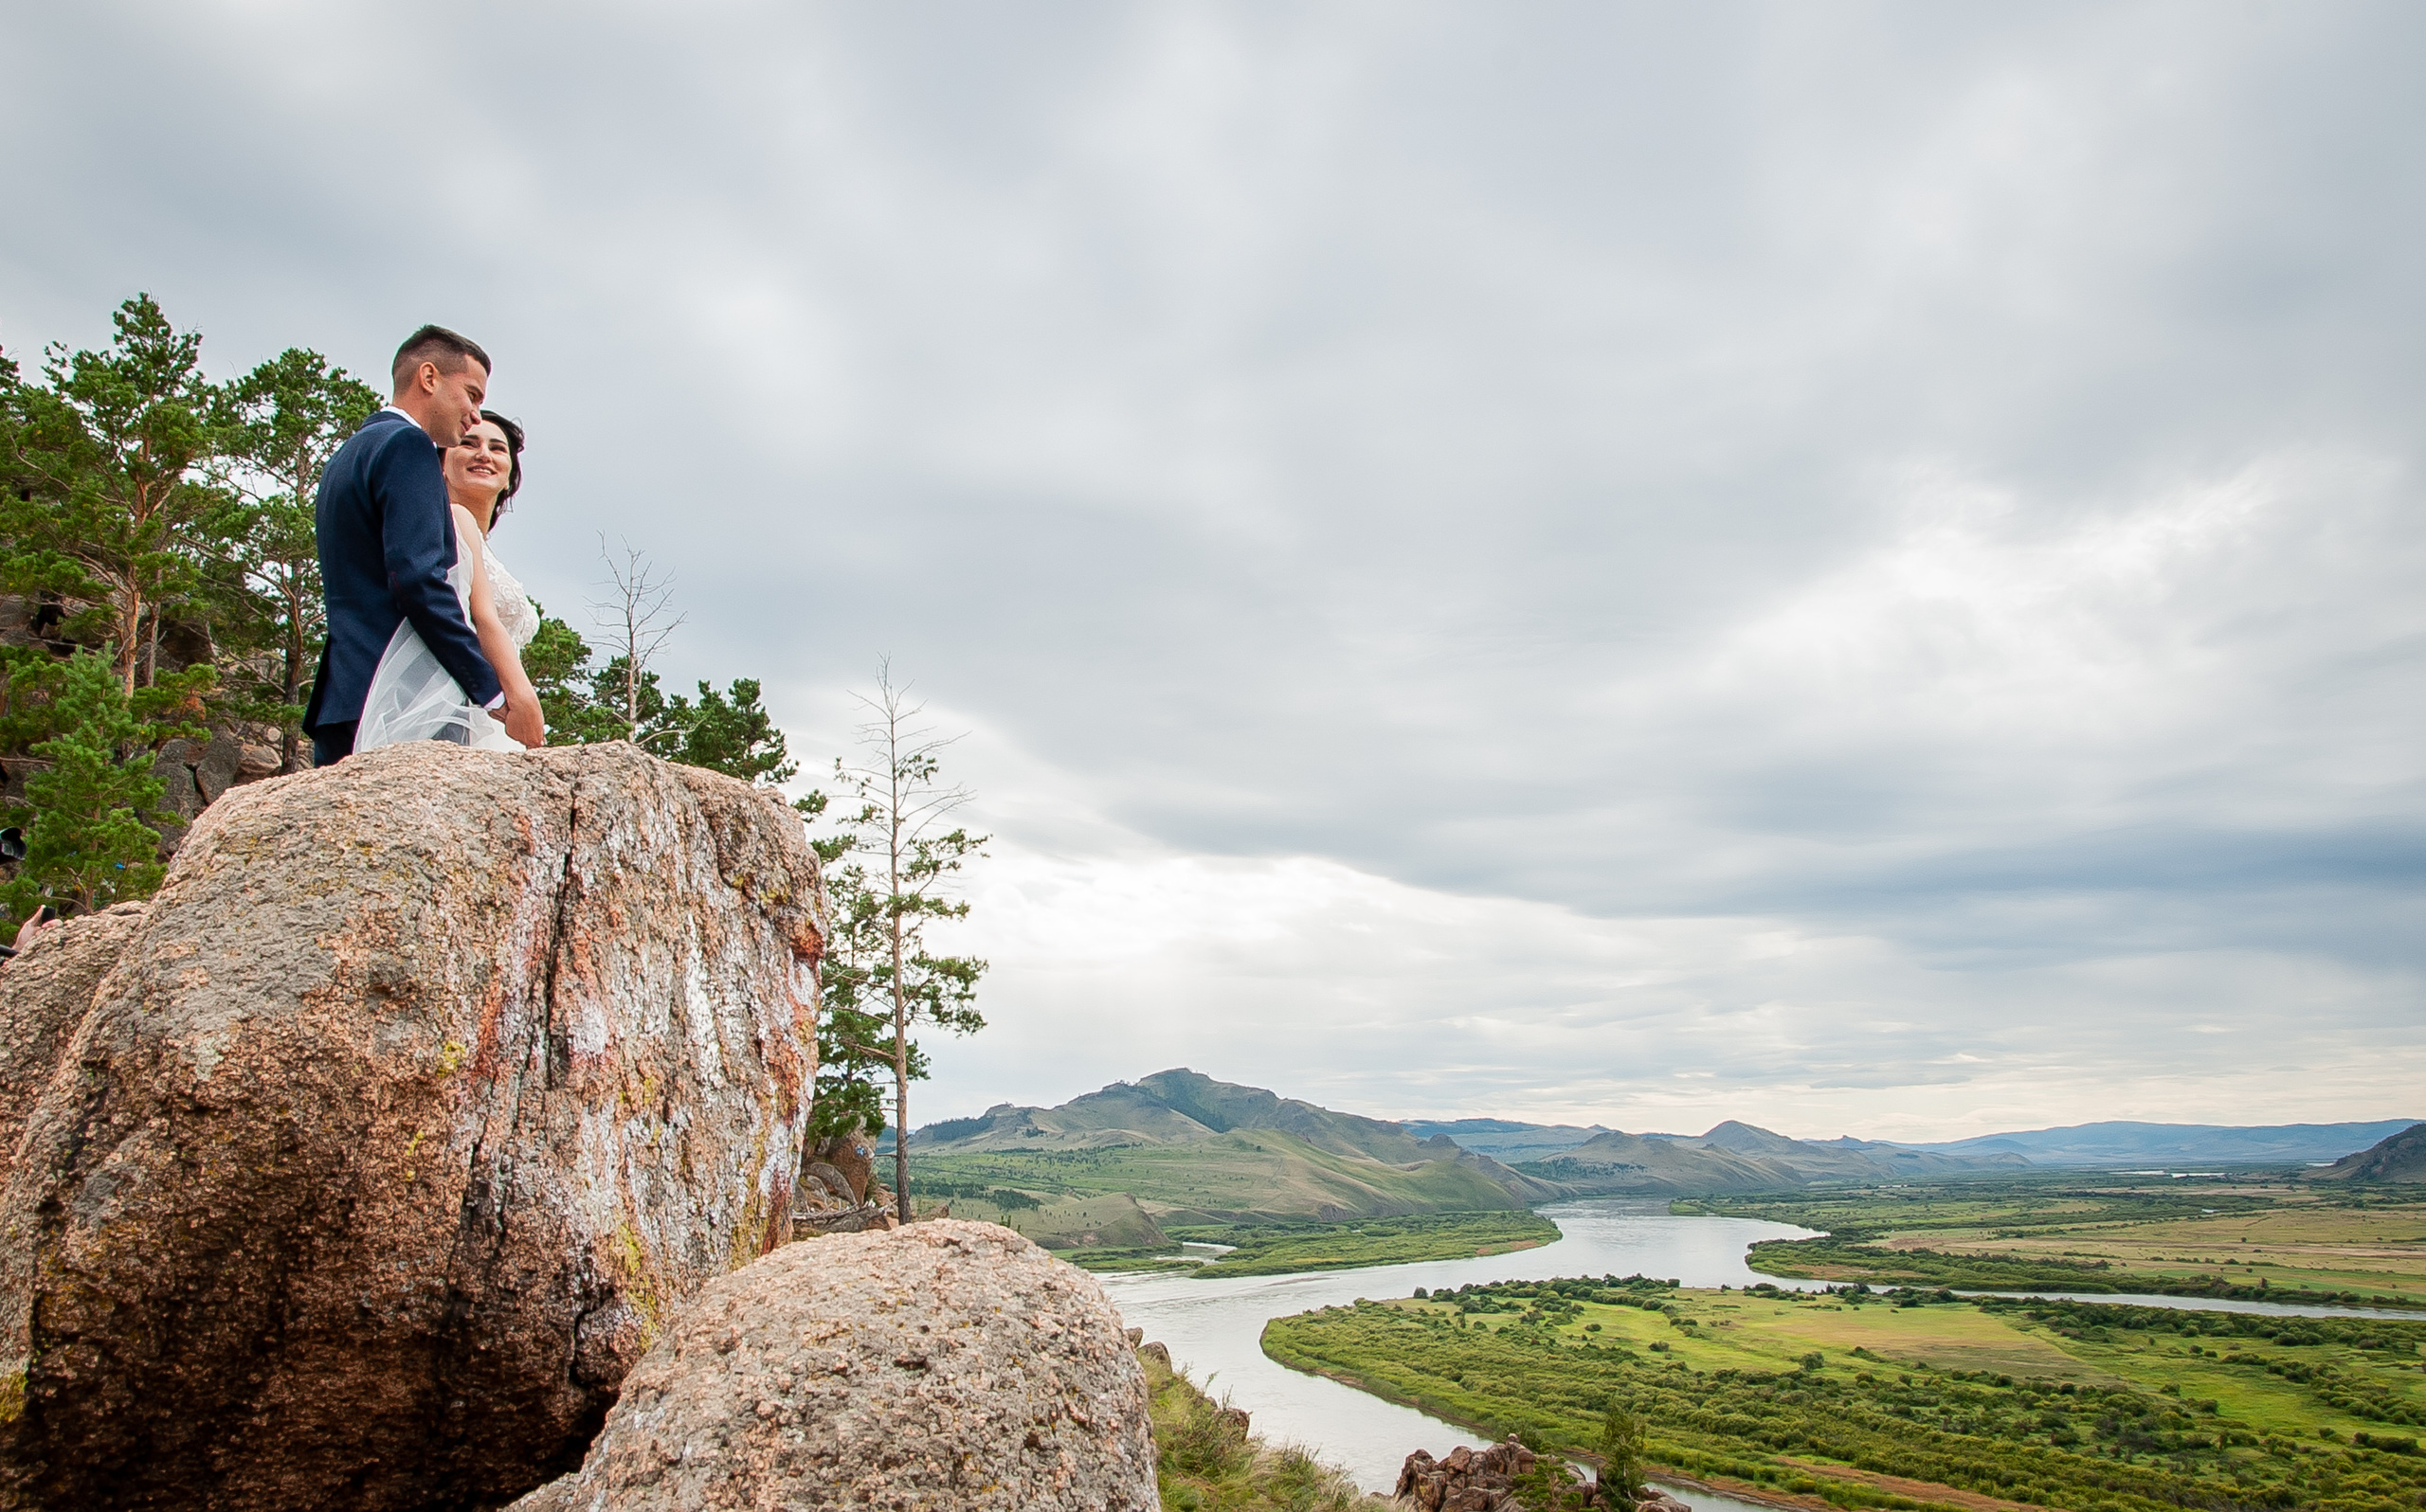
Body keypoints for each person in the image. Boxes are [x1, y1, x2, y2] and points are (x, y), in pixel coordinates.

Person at [301, 326, 541, 764]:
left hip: (344, 695)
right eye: (471, 394)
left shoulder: (351, 452)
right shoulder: (408, 445)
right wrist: (490, 694)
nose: (474, 414)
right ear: (429, 378)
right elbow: (420, 580)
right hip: (404, 699)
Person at [371, 409, 544, 750]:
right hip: (461, 704)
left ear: (510, 476)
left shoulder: (484, 548)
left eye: (497, 449)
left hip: (487, 711)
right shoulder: (448, 520)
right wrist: (521, 699)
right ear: (441, 467)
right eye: (468, 443)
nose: (484, 454)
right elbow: (481, 620)